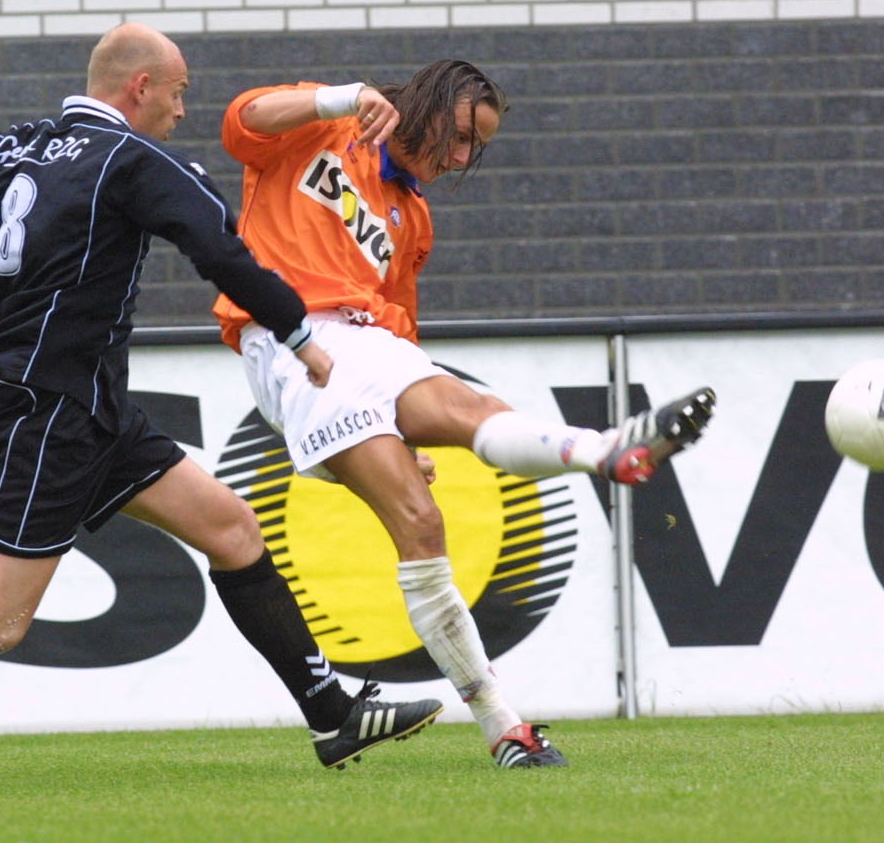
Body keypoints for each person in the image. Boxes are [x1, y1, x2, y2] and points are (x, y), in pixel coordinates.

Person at [0, 23, 442, 795]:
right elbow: (221, 249)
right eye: (177, 93)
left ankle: (331, 714)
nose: (181, 110)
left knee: (232, 528)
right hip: (51, 415)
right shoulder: (131, 160)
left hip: (91, 408)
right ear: (139, 87)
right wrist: (298, 331)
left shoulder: (6, 148)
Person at [211, 60, 716, 769]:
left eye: (476, 147)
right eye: (457, 135)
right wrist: (348, 95)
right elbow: (242, 117)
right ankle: (501, 714)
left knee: (465, 425)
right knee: (418, 520)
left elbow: (399, 333)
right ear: (424, 104)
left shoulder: (410, 217)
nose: (460, 158)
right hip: (291, 341)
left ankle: (605, 456)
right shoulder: (324, 125)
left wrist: (394, 426)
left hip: (364, 347)